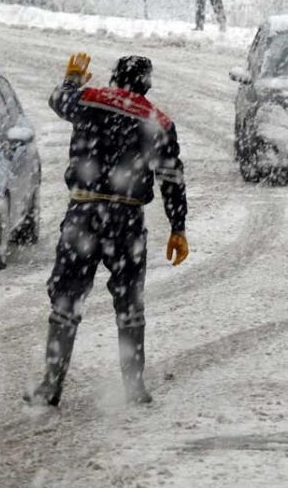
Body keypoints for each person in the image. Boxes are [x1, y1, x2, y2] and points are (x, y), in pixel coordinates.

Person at [25, 53, 190, 407]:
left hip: (83, 213)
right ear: (147, 83)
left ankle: (51, 385)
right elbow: (171, 178)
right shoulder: (157, 120)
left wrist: (72, 79)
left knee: (66, 300)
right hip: (127, 222)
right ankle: (134, 387)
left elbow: (58, 100)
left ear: (115, 77)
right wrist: (178, 227)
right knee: (130, 303)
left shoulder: (90, 100)